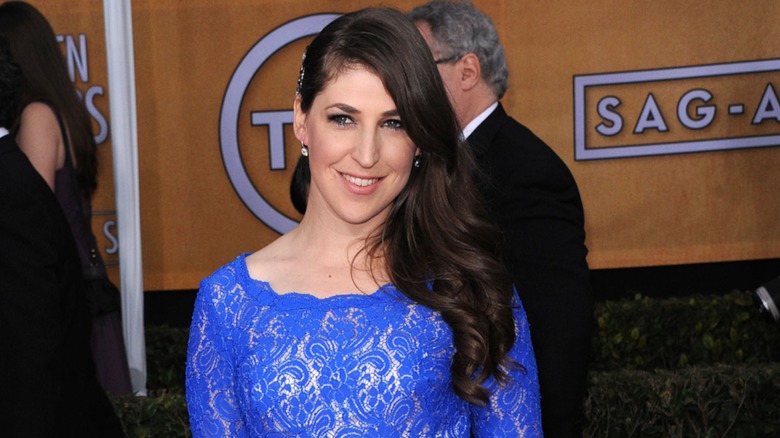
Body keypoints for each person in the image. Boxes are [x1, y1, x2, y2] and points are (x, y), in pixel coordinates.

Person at [187, 7, 541, 437]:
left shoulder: (470, 286)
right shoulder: (228, 303)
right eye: (343, 118)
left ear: (418, 141)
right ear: (301, 119)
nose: (367, 154)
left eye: (393, 123)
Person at [408, 1, 594, 436]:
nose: (404, 82)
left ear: (467, 71)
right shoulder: (439, 162)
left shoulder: (525, 171)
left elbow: (558, 327)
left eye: (418, 66)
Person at [0, 0, 132, 396]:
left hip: (62, 291)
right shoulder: (57, 108)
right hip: (72, 284)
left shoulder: (37, 115)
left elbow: (32, 213)